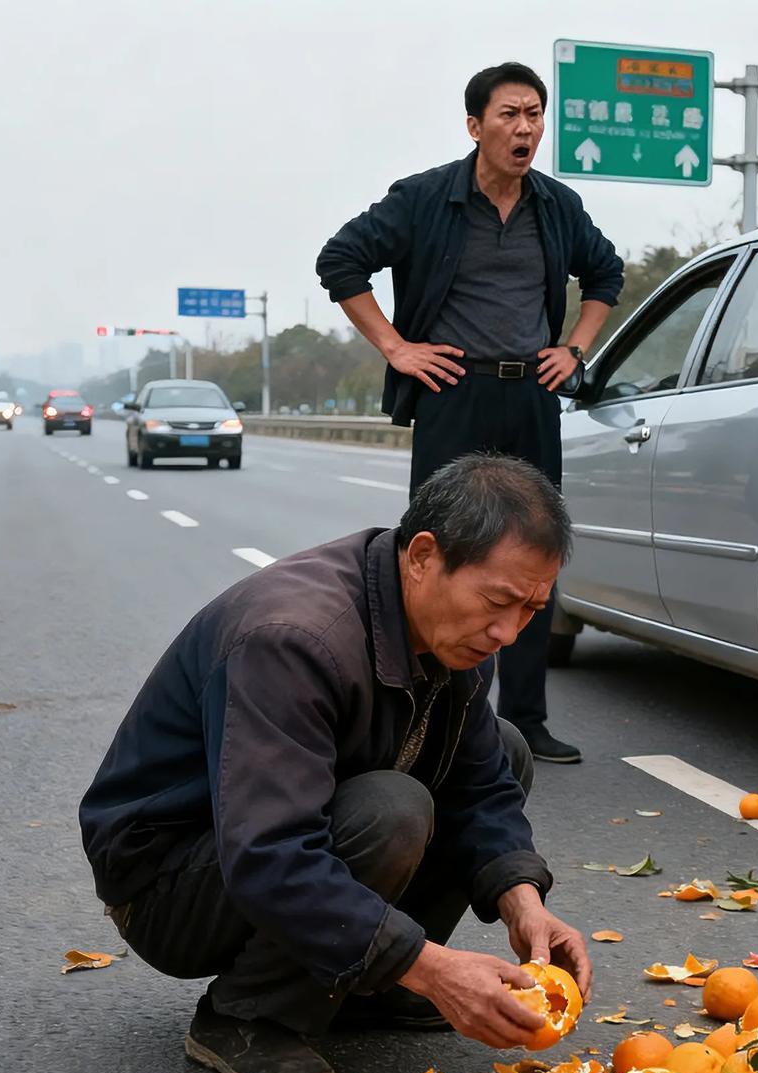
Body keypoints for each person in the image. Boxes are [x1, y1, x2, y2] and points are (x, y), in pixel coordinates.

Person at [78, 456, 591, 1073]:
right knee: (392, 809)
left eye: (531, 610)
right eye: (497, 602)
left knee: (506, 748)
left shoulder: (454, 630)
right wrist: (432, 968)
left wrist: (523, 901)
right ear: (423, 556)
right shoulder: (293, 640)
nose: (508, 632)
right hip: (172, 882)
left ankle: (362, 985)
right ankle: (247, 1015)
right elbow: (270, 851)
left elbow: (480, 779)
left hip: (265, 841)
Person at [316, 60, 624, 765]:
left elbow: (605, 273)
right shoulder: (426, 199)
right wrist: (396, 346)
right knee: (442, 552)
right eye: (510, 115)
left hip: (531, 396)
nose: (525, 128)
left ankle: (525, 719)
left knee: (533, 548)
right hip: (454, 393)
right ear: (475, 126)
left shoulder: (557, 206)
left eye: (535, 114)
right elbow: (340, 262)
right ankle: (431, 713)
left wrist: (572, 349)